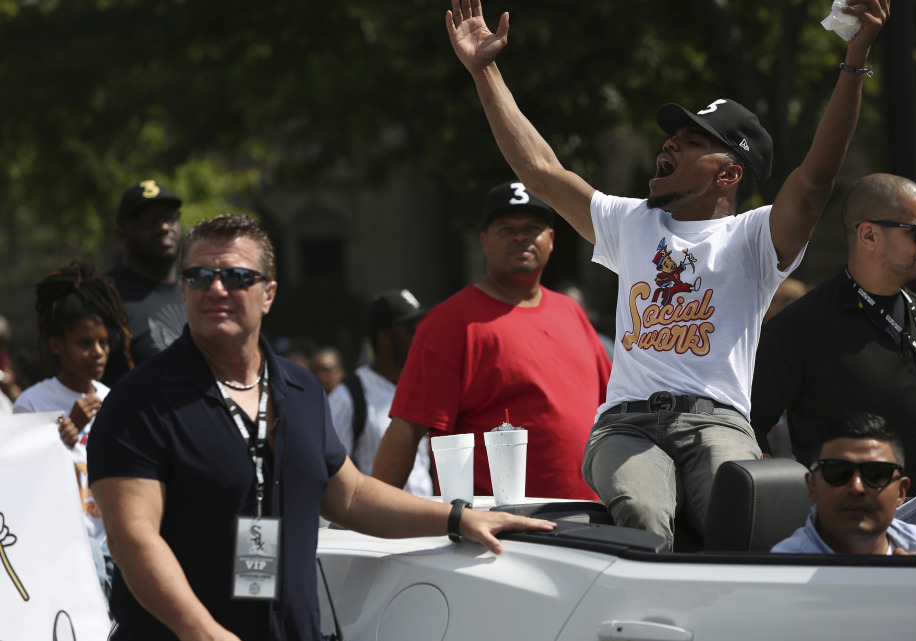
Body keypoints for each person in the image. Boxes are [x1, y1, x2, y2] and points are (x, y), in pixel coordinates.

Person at [445, 0, 889, 547]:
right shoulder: (629, 221)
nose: (670, 142)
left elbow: (817, 178)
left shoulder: (754, 237)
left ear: (728, 172)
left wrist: (855, 56)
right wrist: (483, 70)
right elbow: (540, 170)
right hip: (626, 426)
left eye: (693, 140)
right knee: (644, 516)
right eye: (673, 136)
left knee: (744, 521)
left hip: (719, 424)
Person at [87, 214, 553, 641]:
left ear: (268, 293)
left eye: (235, 276)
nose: (216, 289)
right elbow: (133, 536)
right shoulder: (137, 402)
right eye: (199, 277)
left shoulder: (301, 390)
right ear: (184, 290)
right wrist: (203, 633)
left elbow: (350, 495)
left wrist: (457, 518)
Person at [372, 181, 612, 500]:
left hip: (592, 521)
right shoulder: (450, 322)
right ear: (484, 241)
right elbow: (407, 428)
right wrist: (369, 516)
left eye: (533, 227)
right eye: (505, 228)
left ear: (551, 240)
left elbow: (613, 411)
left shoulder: (572, 312)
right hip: (499, 532)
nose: (520, 236)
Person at [752, 174, 916, 495]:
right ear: (869, 235)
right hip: (846, 530)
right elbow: (749, 428)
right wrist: (793, 500)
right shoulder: (800, 326)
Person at [13, 260, 132, 602]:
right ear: (55, 346)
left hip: (116, 543)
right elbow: (22, 486)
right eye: (84, 343)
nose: (98, 353)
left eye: (103, 342)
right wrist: (65, 436)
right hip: (68, 550)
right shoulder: (34, 404)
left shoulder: (113, 397)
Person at [772, 412, 916, 555]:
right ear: (812, 487)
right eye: (837, 472)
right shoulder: (779, 574)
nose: (856, 487)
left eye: (876, 474)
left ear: (901, 491)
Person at [329, 288, 433, 495]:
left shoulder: (424, 388)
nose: (421, 334)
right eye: (412, 328)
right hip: (377, 525)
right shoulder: (347, 397)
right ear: (384, 337)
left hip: (429, 521)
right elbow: (333, 476)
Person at [103, 180, 186, 386]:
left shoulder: (199, 290)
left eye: (170, 218)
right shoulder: (102, 297)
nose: (163, 227)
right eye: (149, 221)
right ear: (122, 234)